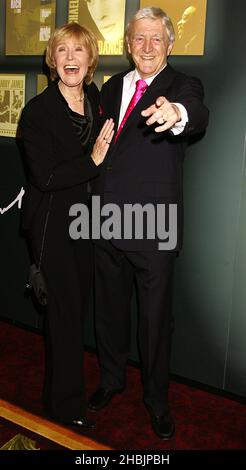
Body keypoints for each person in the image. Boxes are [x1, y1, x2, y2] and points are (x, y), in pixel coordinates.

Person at [88, 7, 209, 439]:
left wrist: (177, 113)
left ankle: (157, 401)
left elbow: (195, 111)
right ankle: (111, 380)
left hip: (153, 225)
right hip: (105, 218)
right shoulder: (110, 87)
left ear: (170, 44)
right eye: (139, 38)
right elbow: (99, 146)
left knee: (156, 322)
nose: (147, 46)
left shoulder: (182, 85)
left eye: (156, 38)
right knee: (109, 312)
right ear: (128, 44)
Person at [20, 22, 114, 428]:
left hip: (88, 223)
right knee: (63, 318)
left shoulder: (95, 99)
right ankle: (65, 407)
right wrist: (92, 161)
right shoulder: (37, 112)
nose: (71, 58)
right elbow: (46, 177)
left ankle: (59, 394)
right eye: (62, 51)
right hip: (53, 226)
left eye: (78, 51)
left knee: (74, 315)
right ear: (52, 60)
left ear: (90, 60)